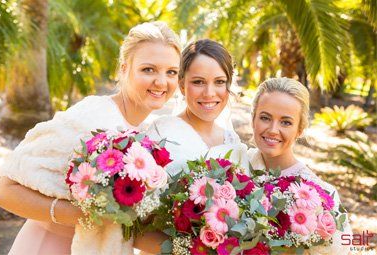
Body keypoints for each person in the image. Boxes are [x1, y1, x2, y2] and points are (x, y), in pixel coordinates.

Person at [0, 21, 181, 255]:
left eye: (171, 72)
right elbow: (4, 191)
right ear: (124, 69)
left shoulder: (148, 133)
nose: (161, 82)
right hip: (48, 247)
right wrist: (89, 214)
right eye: (148, 69)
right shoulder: (90, 116)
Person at [247, 77, 352, 255]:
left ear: (300, 129)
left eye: (286, 122)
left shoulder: (321, 195)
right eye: (265, 118)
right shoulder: (236, 166)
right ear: (253, 120)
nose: (273, 129)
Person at [147, 39, 248, 179]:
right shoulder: (161, 133)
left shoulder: (232, 140)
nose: (209, 93)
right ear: (182, 86)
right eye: (198, 82)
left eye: (219, 82)